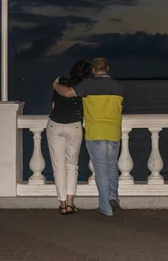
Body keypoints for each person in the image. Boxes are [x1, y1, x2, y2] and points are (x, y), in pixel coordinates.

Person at [53, 57, 124, 217]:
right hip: (113, 132)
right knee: (112, 166)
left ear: (93, 70)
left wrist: (55, 84)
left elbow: (66, 93)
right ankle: (113, 197)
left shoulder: (87, 85)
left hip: (96, 132)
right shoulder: (119, 87)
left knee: (101, 170)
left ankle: (105, 207)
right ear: (107, 68)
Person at [47, 60, 91, 215]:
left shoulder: (61, 82)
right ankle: (71, 203)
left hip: (55, 125)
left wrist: (55, 83)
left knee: (58, 166)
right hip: (74, 126)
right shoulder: (86, 86)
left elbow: (53, 105)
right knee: (72, 165)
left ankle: (63, 204)